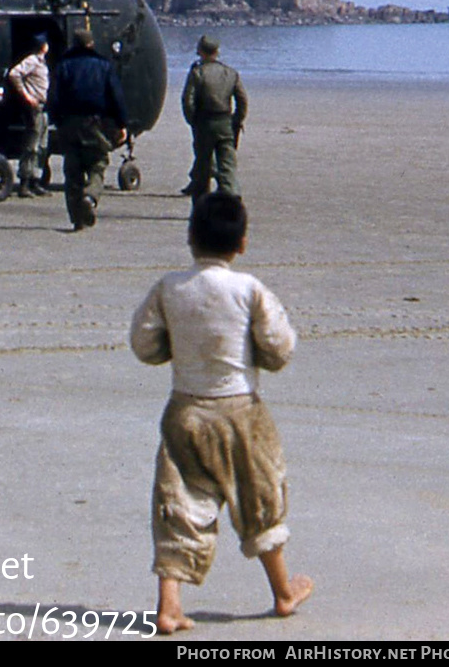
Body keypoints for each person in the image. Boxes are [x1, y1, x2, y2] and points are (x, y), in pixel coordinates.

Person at [129, 192, 312, 634]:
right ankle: (283, 592)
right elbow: (280, 347)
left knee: (180, 504)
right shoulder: (250, 290)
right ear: (242, 243)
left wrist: (173, 350)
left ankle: (169, 605)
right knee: (260, 500)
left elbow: (143, 343)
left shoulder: (170, 287)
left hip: (185, 410)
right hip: (241, 413)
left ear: (191, 237)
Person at [49, 27, 127, 230]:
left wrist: (58, 122)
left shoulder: (63, 66)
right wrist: (121, 124)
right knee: (98, 164)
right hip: (95, 124)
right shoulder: (104, 66)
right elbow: (115, 97)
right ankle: (90, 197)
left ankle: (77, 220)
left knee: (72, 172)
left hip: (69, 123)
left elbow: (54, 98)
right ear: (91, 44)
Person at [181, 36, 247, 198]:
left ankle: (201, 205)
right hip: (225, 122)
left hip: (204, 123)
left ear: (200, 51)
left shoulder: (198, 73)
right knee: (227, 165)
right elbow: (242, 100)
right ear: (217, 51)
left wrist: (193, 121)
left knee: (203, 166)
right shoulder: (230, 73)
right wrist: (236, 120)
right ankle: (231, 199)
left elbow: (187, 101)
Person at [6, 33, 50, 198]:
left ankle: (35, 180)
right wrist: (26, 96)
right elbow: (14, 74)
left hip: (43, 107)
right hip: (34, 107)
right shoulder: (32, 60)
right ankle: (24, 183)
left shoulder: (41, 62)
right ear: (42, 46)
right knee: (31, 145)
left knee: (42, 146)